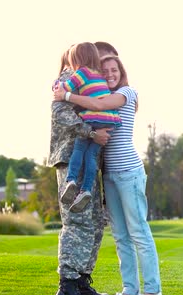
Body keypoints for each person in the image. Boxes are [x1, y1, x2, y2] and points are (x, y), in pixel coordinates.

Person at [54, 54, 163, 295]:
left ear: (121, 71)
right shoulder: (98, 94)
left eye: (114, 69)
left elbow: (101, 105)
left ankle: (152, 291)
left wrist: (66, 95)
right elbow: (93, 104)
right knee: (120, 234)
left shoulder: (127, 92)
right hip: (110, 174)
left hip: (129, 171)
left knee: (138, 231)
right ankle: (129, 289)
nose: (110, 74)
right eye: (105, 71)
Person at [49, 45, 112, 295]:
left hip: (89, 161)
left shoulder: (88, 79)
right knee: (76, 222)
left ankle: (83, 281)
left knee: (96, 222)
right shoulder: (67, 80)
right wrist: (90, 132)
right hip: (71, 158)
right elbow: (60, 113)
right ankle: (67, 287)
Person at [57, 42, 122, 213]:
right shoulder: (100, 74)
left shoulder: (82, 72)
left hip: (94, 117)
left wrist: (58, 88)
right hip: (109, 119)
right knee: (91, 154)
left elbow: (65, 88)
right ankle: (85, 190)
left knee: (79, 149)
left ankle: (71, 181)